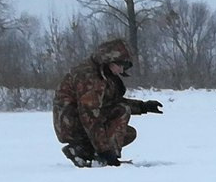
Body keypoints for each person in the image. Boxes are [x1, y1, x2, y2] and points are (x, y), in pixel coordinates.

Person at [53, 37, 164, 166]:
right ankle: (103, 157)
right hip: (73, 127)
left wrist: (143, 106)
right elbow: (89, 115)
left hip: (79, 124)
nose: (121, 70)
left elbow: (110, 102)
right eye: (120, 65)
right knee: (122, 111)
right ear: (109, 60)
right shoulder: (89, 77)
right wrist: (105, 152)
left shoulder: (103, 74)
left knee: (128, 133)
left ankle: (82, 151)